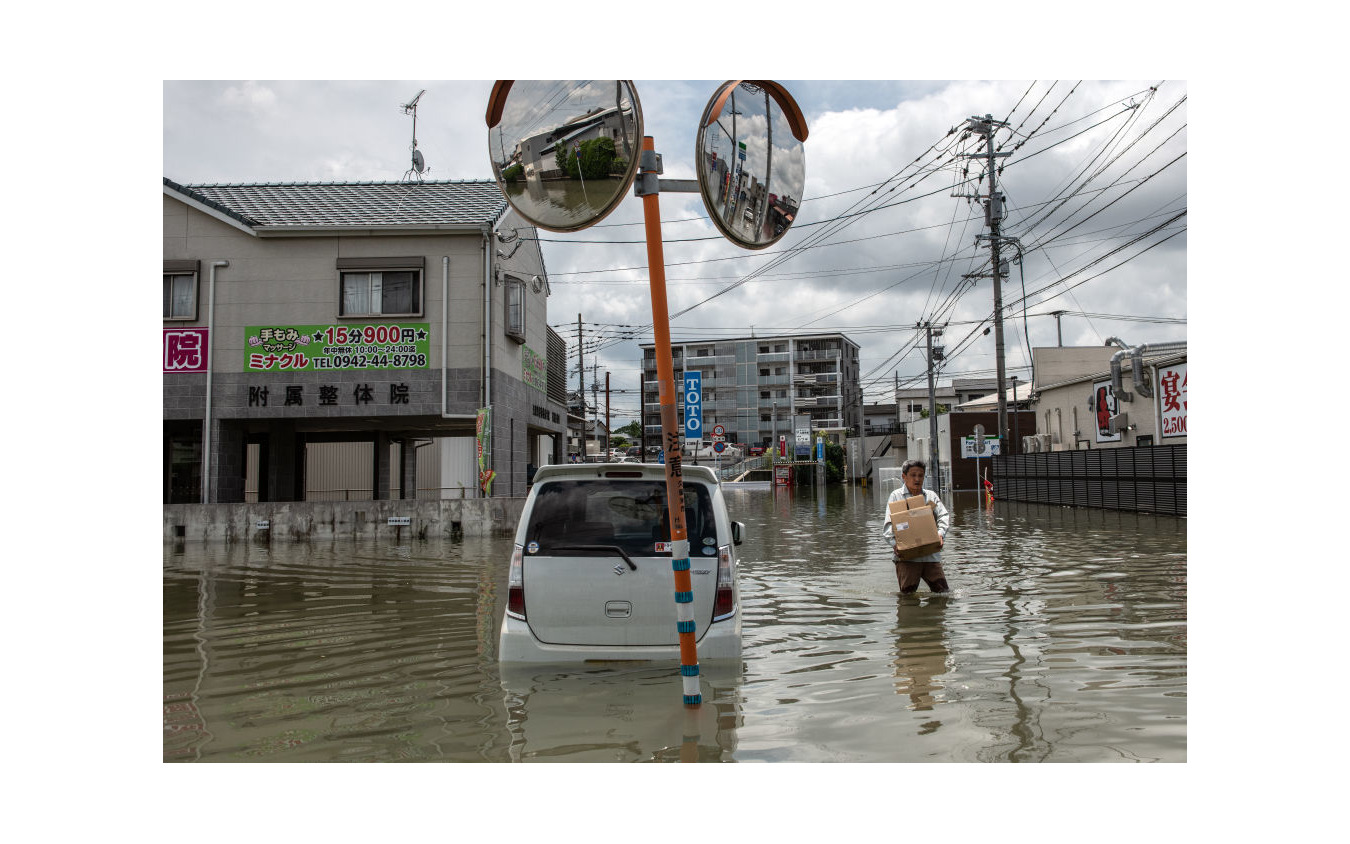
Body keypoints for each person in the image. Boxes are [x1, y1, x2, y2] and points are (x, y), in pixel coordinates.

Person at [881, 459, 952, 593]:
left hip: (931, 556)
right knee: (907, 597)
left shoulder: (930, 496)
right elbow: (888, 525)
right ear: (904, 476)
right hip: (907, 557)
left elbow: (943, 515)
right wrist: (895, 544)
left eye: (920, 475)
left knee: (943, 593)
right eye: (913, 475)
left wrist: (940, 534)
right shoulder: (896, 496)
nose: (917, 479)